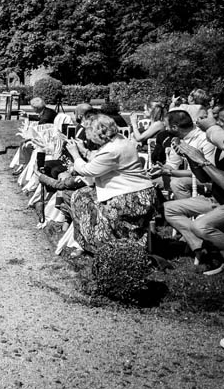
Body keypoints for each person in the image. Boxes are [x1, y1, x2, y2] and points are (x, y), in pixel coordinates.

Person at [65, 114, 156, 253]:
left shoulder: (111, 150)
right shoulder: (120, 140)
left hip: (130, 199)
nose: (87, 136)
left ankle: (103, 245)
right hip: (140, 193)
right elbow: (99, 158)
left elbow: (88, 170)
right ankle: (97, 240)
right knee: (81, 194)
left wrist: (75, 154)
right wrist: (84, 150)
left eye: (88, 132)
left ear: (97, 134)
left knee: (81, 199)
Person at [163, 139, 224, 275]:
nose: (201, 117)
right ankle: (199, 248)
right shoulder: (218, 148)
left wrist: (201, 160)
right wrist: (190, 158)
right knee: (169, 208)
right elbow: (204, 178)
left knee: (200, 226)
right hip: (214, 199)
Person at [156, 110, 218, 200]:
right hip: (187, 176)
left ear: (174, 127)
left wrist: (170, 172)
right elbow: (172, 164)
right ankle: (162, 210)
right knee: (149, 181)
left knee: (177, 183)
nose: (165, 130)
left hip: (205, 180)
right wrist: (160, 168)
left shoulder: (204, 139)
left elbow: (209, 173)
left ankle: (187, 211)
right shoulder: (177, 139)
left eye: (166, 126)